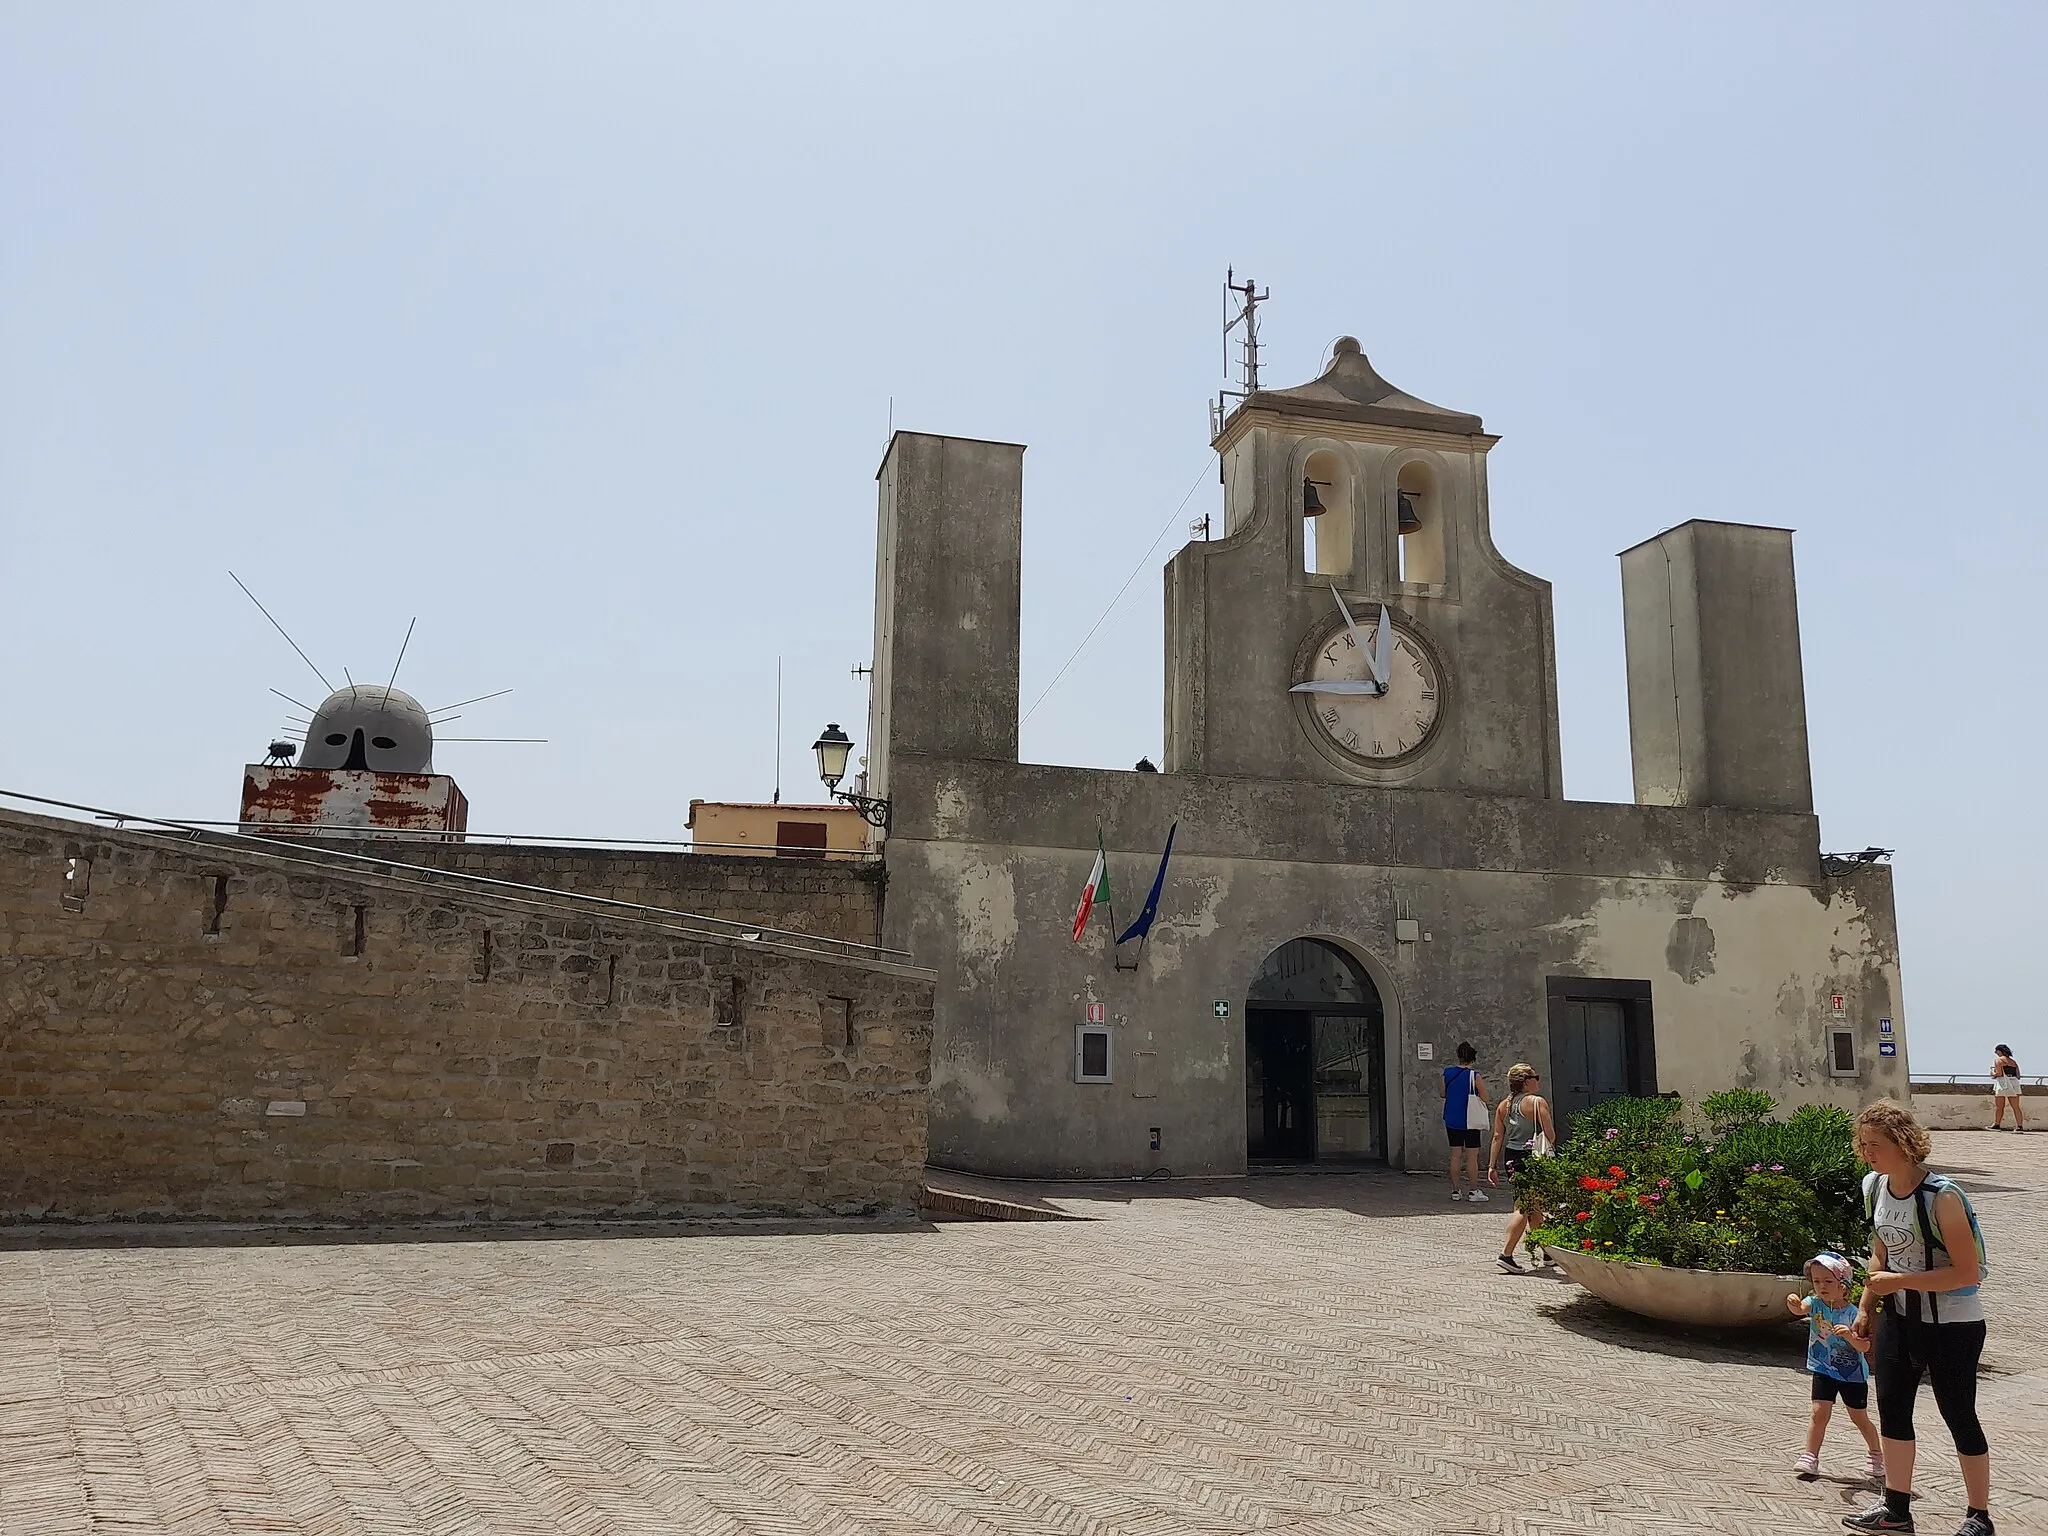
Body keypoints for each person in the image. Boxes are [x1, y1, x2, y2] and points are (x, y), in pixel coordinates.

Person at [1843, 1100, 1996, 1536]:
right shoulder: (1873, 1187)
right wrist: (1866, 1305)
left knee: (1958, 1413)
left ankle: (1979, 1516)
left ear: (1904, 1143)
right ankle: (1896, 1509)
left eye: (1876, 1144)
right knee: (1892, 1411)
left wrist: (1899, 1282)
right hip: (1899, 1319)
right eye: (1863, 1144)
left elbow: (1969, 1273)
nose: (1867, 1152)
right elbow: (1881, 1253)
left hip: (1954, 1324)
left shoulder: (1942, 1197)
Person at [1786, 1252, 1883, 1482]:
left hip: (1851, 1374)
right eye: (1817, 1281)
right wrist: (1793, 1303)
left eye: (1828, 1281)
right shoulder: (1815, 1303)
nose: (1822, 1287)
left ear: (1844, 1285)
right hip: (1823, 1368)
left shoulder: (1854, 1315)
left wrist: (1850, 1336)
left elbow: (1864, 1346)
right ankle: (1811, 1456)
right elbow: (1800, 1309)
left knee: (1859, 1418)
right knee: (1819, 1413)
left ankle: (1876, 1454)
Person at [1487, 1064, 1555, 1270]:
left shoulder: (1503, 1106)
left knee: (1533, 1206)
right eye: (1535, 1076)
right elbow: (1550, 1134)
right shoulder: (1537, 1102)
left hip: (1512, 1156)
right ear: (1526, 1081)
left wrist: (1491, 1166)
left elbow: (1498, 1136)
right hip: (1531, 1156)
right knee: (1524, 1207)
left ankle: (1547, 1253)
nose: (1538, 1080)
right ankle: (1506, 1254)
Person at [1439, 1042, 1489, 1202]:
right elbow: (1485, 1097)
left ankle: (1455, 1191)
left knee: (1455, 1154)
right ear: (1473, 1058)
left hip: (1452, 1118)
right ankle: (1473, 1191)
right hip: (1471, 1120)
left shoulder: (1447, 1073)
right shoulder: (1475, 1076)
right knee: (1472, 1156)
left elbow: (1442, 1093)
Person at [1988, 1045, 2024, 1132]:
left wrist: (1993, 1074)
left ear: (2000, 1051)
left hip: (2003, 1083)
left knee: (2000, 1106)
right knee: (2016, 1107)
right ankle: (2019, 1126)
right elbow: (2018, 1075)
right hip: (2014, 1083)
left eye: (1996, 1051)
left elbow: (1999, 1073)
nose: (1995, 1053)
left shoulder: (1998, 1060)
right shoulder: (2013, 1062)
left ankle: (1997, 1124)